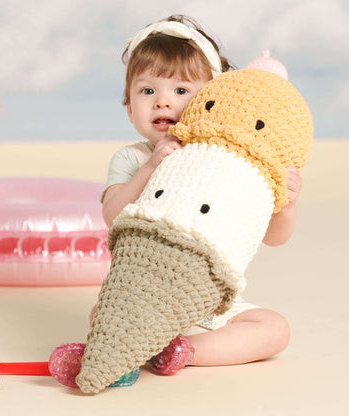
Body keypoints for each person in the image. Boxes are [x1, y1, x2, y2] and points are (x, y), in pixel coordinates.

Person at [95, 14, 300, 370]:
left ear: (211, 100)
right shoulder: (133, 158)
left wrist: (286, 204)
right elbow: (112, 214)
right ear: (129, 109)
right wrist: (150, 168)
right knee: (100, 313)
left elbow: (274, 238)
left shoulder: (226, 162)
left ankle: (184, 351)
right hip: (144, 295)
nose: (162, 102)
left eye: (180, 91)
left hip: (212, 303)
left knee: (275, 329)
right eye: (147, 91)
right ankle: (146, 342)